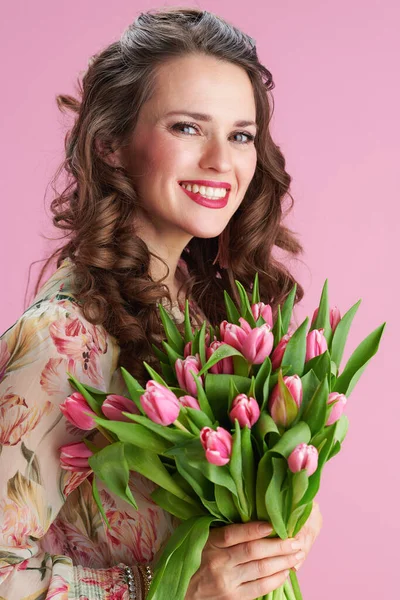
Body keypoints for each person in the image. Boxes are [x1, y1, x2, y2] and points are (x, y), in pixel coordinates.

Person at [0, 7, 323, 600]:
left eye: (241, 135)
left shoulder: (204, 314)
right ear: (111, 146)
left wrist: (281, 521)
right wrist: (168, 587)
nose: (221, 162)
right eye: (186, 127)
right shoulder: (62, 340)